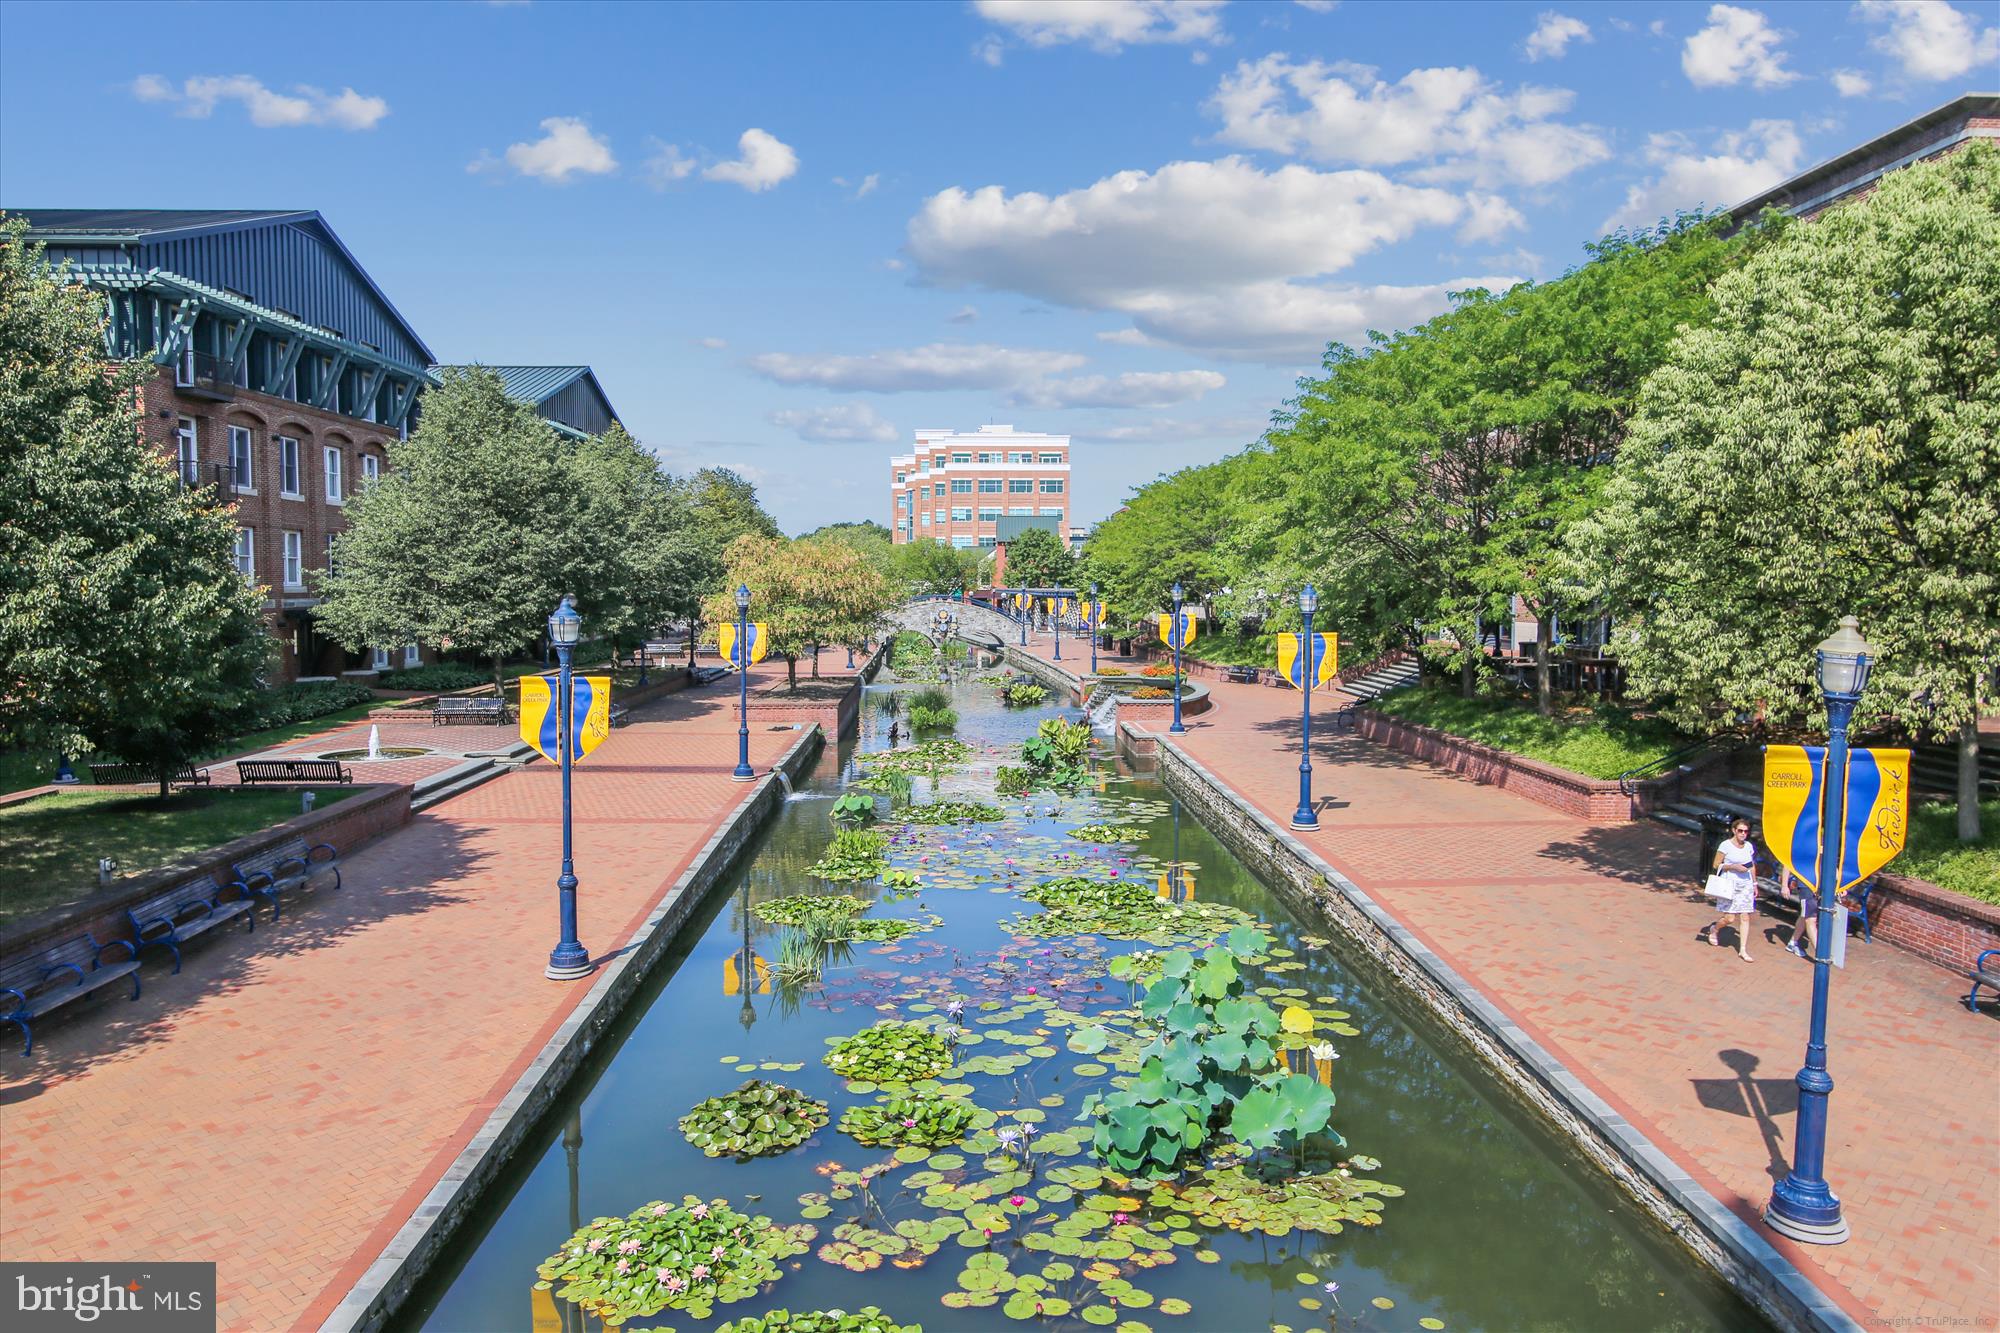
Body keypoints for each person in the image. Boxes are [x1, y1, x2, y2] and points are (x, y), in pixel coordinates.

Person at [1701, 817, 1760, 962]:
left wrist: (1754, 884)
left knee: (1745, 916)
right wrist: (1733, 866)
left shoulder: (1748, 846)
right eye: (1740, 831)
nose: (1743, 834)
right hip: (1730, 884)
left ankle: (1743, 950)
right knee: (1730, 918)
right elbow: (1716, 864)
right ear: (1734, 830)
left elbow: (1751, 865)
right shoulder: (1725, 845)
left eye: (1746, 831)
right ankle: (1715, 929)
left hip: (1745, 884)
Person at [1781, 866, 1819, 959]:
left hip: (1820, 885)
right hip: (1806, 884)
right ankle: (1821, 955)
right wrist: (1784, 885)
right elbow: (1787, 863)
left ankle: (1793, 942)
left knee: (1804, 915)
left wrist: (1840, 886)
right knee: (1811, 919)